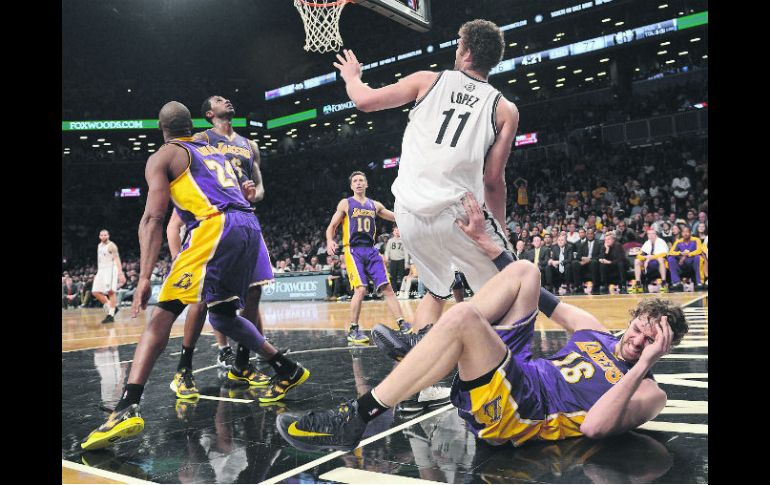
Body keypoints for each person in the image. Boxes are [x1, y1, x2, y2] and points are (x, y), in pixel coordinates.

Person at [275, 192, 688, 452]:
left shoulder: (650, 391)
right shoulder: (594, 330)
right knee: (527, 271)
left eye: (649, 342)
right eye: (638, 330)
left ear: (661, 348)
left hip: (519, 414)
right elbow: (538, 296)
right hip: (516, 371)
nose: (637, 341)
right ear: (632, 320)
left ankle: (357, 416)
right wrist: (487, 244)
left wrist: (643, 366)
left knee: (466, 316)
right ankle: (426, 346)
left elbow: (597, 427)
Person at [80, 102, 309, 451]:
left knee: (162, 314)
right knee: (222, 315)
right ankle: (286, 367)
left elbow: (154, 219)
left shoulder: (165, 155)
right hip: (249, 226)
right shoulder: (212, 148)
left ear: (161, 127)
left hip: (215, 227)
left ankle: (126, 407)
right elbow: (247, 186)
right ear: (194, 125)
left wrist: (144, 277)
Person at [332, 20, 519, 353]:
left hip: (409, 213)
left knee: (436, 291)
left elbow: (364, 101)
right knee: (511, 288)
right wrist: (497, 236)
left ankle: (421, 376)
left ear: (467, 52)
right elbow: (493, 182)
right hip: (458, 214)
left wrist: (351, 77)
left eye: (458, 46)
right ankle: (502, 374)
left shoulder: (427, 81)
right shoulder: (504, 108)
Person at [165, 94, 275, 399]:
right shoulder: (201, 139)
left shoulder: (249, 145)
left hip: (243, 217)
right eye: (217, 99)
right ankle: (185, 367)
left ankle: (242, 364)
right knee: (201, 297)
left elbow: (261, 187)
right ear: (208, 113)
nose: (225, 99)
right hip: (211, 219)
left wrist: (253, 193)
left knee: (254, 290)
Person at [325, 171, 411, 343]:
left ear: (366, 184)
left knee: (387, 287)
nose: (358, 183)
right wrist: (329, 240)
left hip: (371, 250)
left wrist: (409, 215)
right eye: (355, 181)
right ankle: (353, 329)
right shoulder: (346, 203)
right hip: (353, 249)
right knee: (361, 289)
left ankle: (402, 324)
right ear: (351, 186)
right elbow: (332, 226)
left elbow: (394, 217)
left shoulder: (374, 205)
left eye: (361, 180)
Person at [91, 229, 126, 323]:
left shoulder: (112, 246)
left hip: (110, 269)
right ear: (99, 236)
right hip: (101, 270)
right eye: (102, 235)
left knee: (110, 292)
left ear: (108, 236)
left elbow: (117, 259)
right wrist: (98, 273)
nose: (104, 237)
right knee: (95, 292)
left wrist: (120, 273)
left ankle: (111, 315)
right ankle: (113, 307)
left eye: (105, 235)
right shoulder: (99, 246)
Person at [630, 229, 669, 294]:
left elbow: (664, 254)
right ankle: (638, 284)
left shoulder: (661, 242)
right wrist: (645, 257)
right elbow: (639, 255)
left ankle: (664, 282)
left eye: (652, 234)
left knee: (660, 259)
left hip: (658, 263)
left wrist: (651, 257)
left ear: (656, 235)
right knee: (637, 261)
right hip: (648, 263)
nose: (650, 235)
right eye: (649, 234)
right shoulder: (647, 243)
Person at [666, 226, 705, 292]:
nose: (685, 233)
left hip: (692, 263)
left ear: (690, 233)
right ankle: (676, 282)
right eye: (683, 232)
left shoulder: (696, 240)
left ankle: (699, 282)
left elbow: (699, 250)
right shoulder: (678, 241)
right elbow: (671, 252)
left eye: (687, 232)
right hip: (682, 264)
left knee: (698, 257)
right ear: (681, 233)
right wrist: (680, 253)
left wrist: (687, 255)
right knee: (670, 258)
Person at [383, 226, 407, 292]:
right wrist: (386, 259)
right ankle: (394, 291)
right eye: (396, 231)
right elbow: (387, 250)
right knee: (393, 277)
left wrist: (406, 262)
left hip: (401, 260)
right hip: (393, 260)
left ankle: (402, 291)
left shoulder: (403, 240)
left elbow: (406, 252)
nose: (397, 232)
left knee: (402, 277)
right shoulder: (390, 241)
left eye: (398, 231)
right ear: (393, 232)